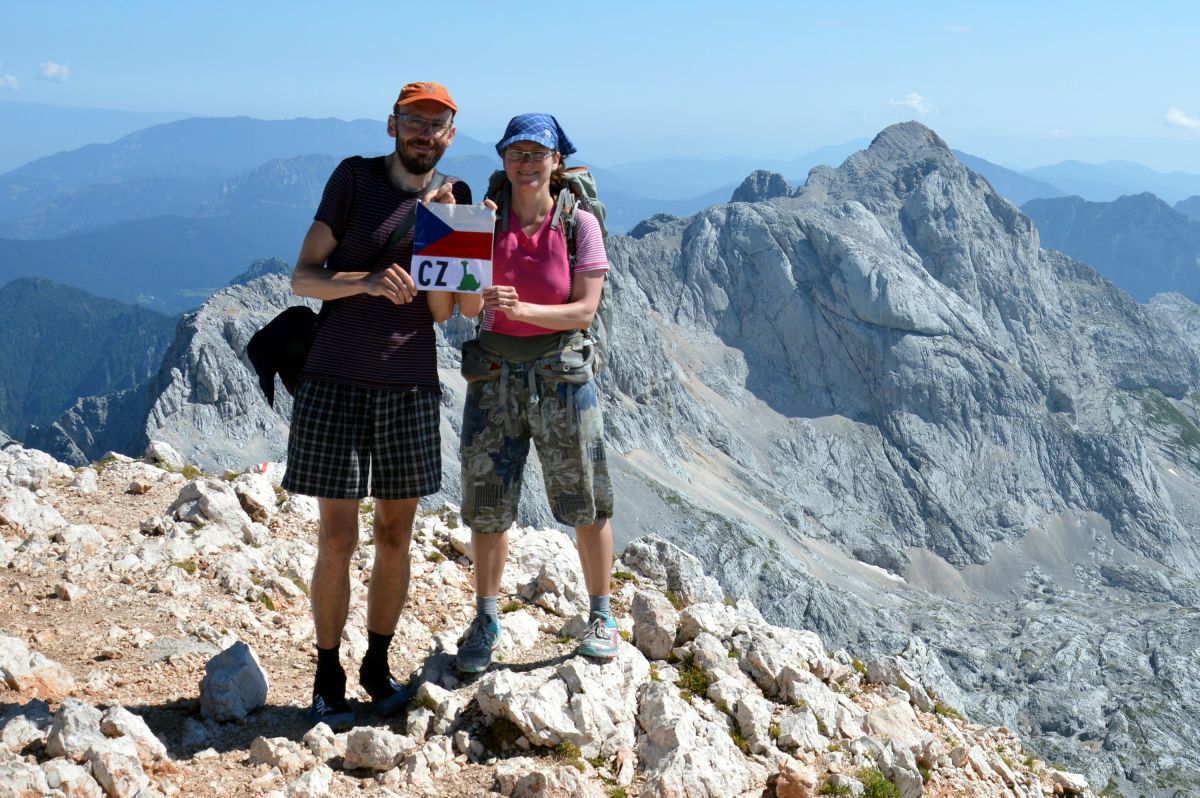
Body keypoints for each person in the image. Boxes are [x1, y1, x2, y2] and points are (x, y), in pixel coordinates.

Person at [281, 81, 472, 728]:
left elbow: (446, 313)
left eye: (436, 124)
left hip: (411, 385)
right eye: (414, 121)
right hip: (333, 380)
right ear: (392, 125)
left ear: (451, 133)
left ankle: (377, 665)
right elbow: (302, 277)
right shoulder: (354, 179)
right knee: (338, 538)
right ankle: (328, 672)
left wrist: (445, 237)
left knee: (396, 535)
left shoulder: (457, 202)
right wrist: (363, 281)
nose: (424, 133)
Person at [454, 113, 617, 673]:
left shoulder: (578, 224)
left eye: (537, 154)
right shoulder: (485, 224)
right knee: (486, 502)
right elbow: (469, 309)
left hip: (560, 376)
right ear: (503, 160)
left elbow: (585, 310)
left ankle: (601, 613)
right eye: (517, 153)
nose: (526, 163)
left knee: (587, 498)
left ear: (557, 162)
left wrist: (525, 310)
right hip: (494, 376)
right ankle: (486, 616)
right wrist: (477, 280)